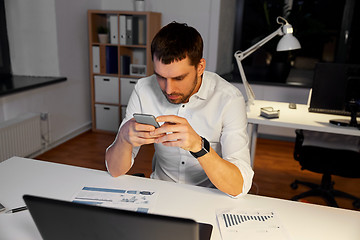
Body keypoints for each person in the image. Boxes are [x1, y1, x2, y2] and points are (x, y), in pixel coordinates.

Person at [105, 22, 253, 197]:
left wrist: (198, 146)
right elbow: (115, 171)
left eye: (179, 78)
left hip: (210, 196)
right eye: (160, 77)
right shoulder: (143, 89)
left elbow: (240, 186)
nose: (168, 89)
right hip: (159, 193)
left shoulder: (229, 99)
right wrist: (123, 138)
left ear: (200, 67)